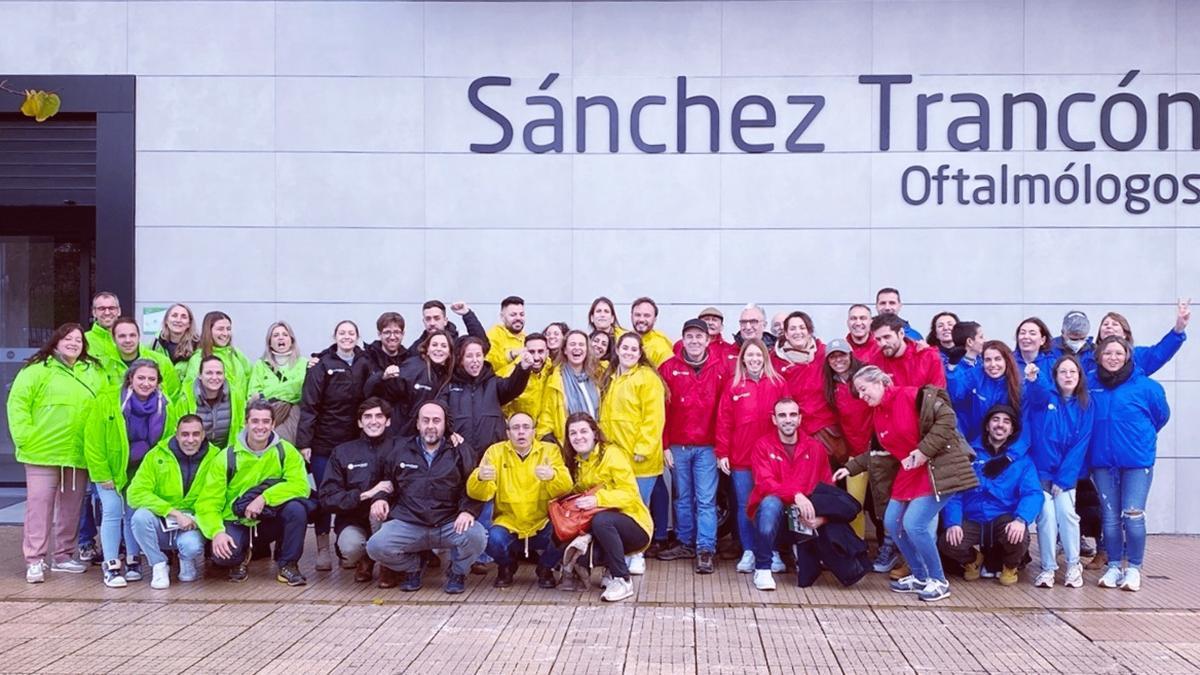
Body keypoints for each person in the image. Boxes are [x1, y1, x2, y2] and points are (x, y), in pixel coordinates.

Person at [834, 366, 977, 603]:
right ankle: (920, 576)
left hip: (936, 470)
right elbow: (880, 452)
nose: (861, 396)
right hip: (909, 473)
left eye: (863, 389)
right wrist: (850, 467)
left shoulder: (911, 395)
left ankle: (939, 581)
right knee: (892, 522)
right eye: (858, 392)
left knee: (914, 524)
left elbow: (948, 418)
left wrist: (923, 451)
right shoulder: (878, 413)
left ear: (880, 382)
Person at [6, 323, 104, 583]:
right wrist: (25, 438)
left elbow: (104, 404)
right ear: (56, 342)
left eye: (79, 340)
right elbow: (17, 405)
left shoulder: (92, 371)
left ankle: (63, 556)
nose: (74, 343)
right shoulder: (37, 370)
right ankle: (35, 559)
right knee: (39, 507)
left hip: (77, 453)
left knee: (72, 508)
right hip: (42, 452)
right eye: (68, 339)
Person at [365, 401, 487, 594]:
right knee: (375, 546)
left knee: (477, 536)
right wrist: (379, 498)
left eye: (436, 420)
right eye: (426, 420)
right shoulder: (399, 450)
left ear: (445, 424)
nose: (431, 425)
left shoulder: (461, 451)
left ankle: (457, 572)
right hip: (410, 522)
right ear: (418, 424)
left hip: (448, 522)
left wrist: (468, 511)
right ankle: (413, 567)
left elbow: (474, 487)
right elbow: (386, 481)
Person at [749, 398, 867, 591]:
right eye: (782, 415)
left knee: (807, 578)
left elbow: (827, 489)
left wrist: (822, 519)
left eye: (793, 414)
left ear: (800, 418)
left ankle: (807, 554)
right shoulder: (762, 445)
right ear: (774, 420)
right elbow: (765, 483)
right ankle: (763, 568)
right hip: (776, 520)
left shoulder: (815, 447)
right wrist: (796, 495)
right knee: (770, 503)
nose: (788, 420)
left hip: (806, 520)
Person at [84, 358, 181, 587]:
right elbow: (93, 440)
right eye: (141, 378)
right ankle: (111, 565)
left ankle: (133, 560)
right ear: (130, 378)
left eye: (151, 379)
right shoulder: (108, 401)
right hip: (112, 469)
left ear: (158, 382)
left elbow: (168, 442)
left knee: (132, 513)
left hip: (140, 471)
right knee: (112, 511)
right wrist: (102, 473)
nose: (146, 383)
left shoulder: (166, 405)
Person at [196, 399, 312, 586]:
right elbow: (208, 502)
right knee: (224, 558)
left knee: (297, 509)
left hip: (268, 518)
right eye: (255, 421)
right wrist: (216, 532)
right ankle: (240, 556)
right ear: (246, 423)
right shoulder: (227, 456)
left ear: (273, 424)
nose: (260, 426)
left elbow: (301, 486)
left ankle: (288, 564)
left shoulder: (286, 452)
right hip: (235, 519)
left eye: (266, 421)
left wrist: (264, 498)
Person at [1089, 336, 1171, 592]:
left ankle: (1134, 568)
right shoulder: (1090, 383)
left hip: (1136, 462)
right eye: (1107, 353)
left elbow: (1161, 417)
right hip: (1102, 462)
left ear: (1127, 356)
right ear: (1099, 356)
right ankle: (1114, 566)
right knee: (1110, 519)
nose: (1113, 358)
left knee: (1133, 515)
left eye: (1118, 353)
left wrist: (1137, 439)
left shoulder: (1147, 387)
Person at [296, 320, 373, 571]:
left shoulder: (365, 362)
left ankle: (344, 547)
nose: (347, 337)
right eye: (342, 333)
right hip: (323, 444)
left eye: (351, 333)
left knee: (348, 494)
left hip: (352, 443)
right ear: (335, 336)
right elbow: (309, 406)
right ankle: (322, 549)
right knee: (325, 495)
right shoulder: (322, 365)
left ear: (357, 337)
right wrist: (305, 442)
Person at [939, 405, 1041, 587]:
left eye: (1006, 422)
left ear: (1011, 430)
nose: (1000, 425)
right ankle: (973, 559)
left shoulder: (1021, 460)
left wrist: (1021, 519)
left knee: (1020, 536)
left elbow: (1033, 493)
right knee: (948, 542)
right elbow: (956, 492)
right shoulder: (970, 454)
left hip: (1003, 518)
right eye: (995, 420)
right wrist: (953, 522)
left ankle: (1010, 566)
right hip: (974, 518)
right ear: (987, 426)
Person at [467, 413, 572, 588]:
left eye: (526, 427)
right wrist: (480, 477)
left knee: (566, 533)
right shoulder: (495, 452)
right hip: (508, 523)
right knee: (489, 538)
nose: (521, 432)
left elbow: (566, 487)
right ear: (508, 433)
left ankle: (545, 568)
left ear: (534, 432)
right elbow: (479, 494)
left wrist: (553, 476)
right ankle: (507, 566)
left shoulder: (550, 450)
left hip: (542, 522)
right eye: (515, 428)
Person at [556, 413, 652, 602]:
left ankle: (622, 580)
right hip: (601, 526)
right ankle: (606, 569)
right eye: (572, 433)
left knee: (602, 520)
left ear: (594, 433)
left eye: (584, 431)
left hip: (634, 523)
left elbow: (630, 494)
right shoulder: (575, 462)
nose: (578, 437)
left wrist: (598, 499)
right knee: (566, 527)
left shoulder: (611, 454)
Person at [658, 319, 725, 572]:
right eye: (690, 336)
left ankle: (705, 547)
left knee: (706, 500)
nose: (695, 341)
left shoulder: (720, 369)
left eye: (700, 336)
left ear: (708, 340)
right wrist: (664, 446)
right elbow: (661, 410)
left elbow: (724, 412)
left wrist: (722, 448)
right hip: (678, 446)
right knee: (682, 498)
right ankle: (685, 541)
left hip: (707, 447)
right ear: (682, 340)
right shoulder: (668, 368)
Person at [716, 338, 789, 574]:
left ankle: (772, 551)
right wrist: (722, 452)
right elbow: (724, 421)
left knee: (772, 505)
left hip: (771, 459)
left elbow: (789, 419)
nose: (754, 359)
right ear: (743, 359)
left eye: (759, 355)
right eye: (750, 356)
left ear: (765, 358)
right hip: (742, 457)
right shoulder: (733, 385)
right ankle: (749, 551)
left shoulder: (778, 383)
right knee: (746, 505)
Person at [599, 332, 668, 574]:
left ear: (640, 353)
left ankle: (639, 553)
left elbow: (654, 417)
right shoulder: (611, 376)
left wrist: (644, 447)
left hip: (640, 459)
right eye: (624, 348)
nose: (628, 352)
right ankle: (624, 553)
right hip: (616, 457)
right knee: (619, 508)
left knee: (639, 507)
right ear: (617, 350)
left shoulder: (647, 378)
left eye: (633, 349)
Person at [126, 415, 221, 589]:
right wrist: (173, 513)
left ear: (203, 435)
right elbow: (135, 493)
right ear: (176, 434)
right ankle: (158, 564)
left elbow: (218, 497)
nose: (190, 440)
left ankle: (186, 559)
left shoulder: (216, 458)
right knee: (139, 517)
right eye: (185, 434)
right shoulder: (156, 455)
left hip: (194, 522)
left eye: (195, 434)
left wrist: (197, 520)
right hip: (162, 520)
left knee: (191, 547)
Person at [1024, 354, 1093, 589]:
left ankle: (1074, 565)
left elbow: (1081, 444)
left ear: (1080, 376)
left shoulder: (1086, 404)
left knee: (1067, 514)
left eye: (1072, 372)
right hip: (1041, 472)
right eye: (1063, 372)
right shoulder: (1045, 399)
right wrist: (1033, 379)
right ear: (1055, 376)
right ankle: (1048, 568)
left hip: (1066, 475)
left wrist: (1063, 479)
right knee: (1047, 518)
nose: (1068, 376)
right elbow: (1036, 392)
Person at [318, 398, 397, 584]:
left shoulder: (402, 448)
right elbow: (327, 497)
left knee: (378, 511)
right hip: (353, 519)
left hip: (391, 519)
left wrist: (380, 497)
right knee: (350, 547)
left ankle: (389, 566)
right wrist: (365, 494)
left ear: (388, 421)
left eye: (379, 416)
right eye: (367, 417)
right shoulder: (343, 452)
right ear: (360, 422)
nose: (373, 421)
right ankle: (366, 558)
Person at [772, 311, 842, 461]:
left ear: (809, 331)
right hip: (793, 430)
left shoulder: (824, 354)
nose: (798, 332)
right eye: (792, 328)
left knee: (826, 479)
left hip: (825, 430)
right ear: (785, 333)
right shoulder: (775, 360)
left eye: (802, 328)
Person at [821, 339, 872, 539]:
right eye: (833, 357)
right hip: (854, 456)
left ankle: (891, 549)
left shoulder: (865, 376)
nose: (838, 360)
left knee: (883, 507)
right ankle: (857, 546)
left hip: (878, 451)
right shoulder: (830, 385)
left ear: (850, 354)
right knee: (854, 506)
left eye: (841, 355)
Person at [448, 337, 533, 452]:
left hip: (493, 454)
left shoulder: (493, 382)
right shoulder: (450, 386)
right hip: (461, 453)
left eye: (478, 355)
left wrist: (523, 369)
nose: (475, 360)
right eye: (469, 356)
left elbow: (512, 387)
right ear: (461, 360)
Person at [373, 329, 456, 433]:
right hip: (400, 433)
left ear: (449, 352)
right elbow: (387, 396)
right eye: (434, 345)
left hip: (422, 435)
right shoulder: (414, 367)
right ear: (427, 349)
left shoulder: (446, 376)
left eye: (443, 346)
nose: (438, 349)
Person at [946, 340, 1024, 445]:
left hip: (1003, 444)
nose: (993, 364)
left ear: (1007, 360)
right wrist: (952, 368)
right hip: (971, 441)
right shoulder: (975, 376)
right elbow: (956, 395)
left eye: (998, 359)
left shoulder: (1018, 384)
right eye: (988, 360)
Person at [537, 330, 603, 445]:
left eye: (581, 344)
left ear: (587, 350)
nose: (577, 348)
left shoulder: (596, 378)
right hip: (567, 446)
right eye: (572, 344)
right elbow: (546, 417)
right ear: (565, 350)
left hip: (595, 445)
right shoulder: (555, 380)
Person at [248, 321, 307, 444]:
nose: (280, 337)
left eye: (285, 334)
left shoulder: (303, 363)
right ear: (269, 342)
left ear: (291, 340)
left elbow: (299, 389)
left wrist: (265, 394)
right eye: (275, 335)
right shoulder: (261, 365)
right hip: (266, 416)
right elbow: (252, 395)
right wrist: (286, 391)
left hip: (292, 417)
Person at [101, 316, 180, 401]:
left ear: (139, 337)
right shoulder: (103, 365)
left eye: (132, 335)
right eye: (122, 336)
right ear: (113, 339)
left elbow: (174, 397)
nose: (128, 340)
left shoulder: (162, 362)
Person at [181, 355, 246, 450]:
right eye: (209, 373)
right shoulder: (186, 398)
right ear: (200, 375)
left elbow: (242, 427)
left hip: (227, 454)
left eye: (219, 373)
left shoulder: (236, 396)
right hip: (196, 454)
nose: (214, 377)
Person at [183, 311, 251, 397]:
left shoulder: (236, 354)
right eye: (220, 329)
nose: (225, 333)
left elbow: (251, 381)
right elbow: (190, 392)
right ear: (209, 331)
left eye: (228, 329)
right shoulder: (199, 358)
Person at [869, 314, 945, 388]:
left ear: (901, 333)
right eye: (878, 339)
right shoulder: (875, 361)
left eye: (887, 337)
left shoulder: (928, 356)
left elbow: (938, 394)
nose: (882, 343)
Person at [407, 300, 489, 356]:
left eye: (436, 318)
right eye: (428, 319)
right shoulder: (417, 347)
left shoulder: (458, 342)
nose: (432, 323)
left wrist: (467, 314)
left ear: (445, 320)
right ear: (423, 321)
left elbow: (482, 345)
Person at [499, 333, 551, 420]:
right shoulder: (509, 375)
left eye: (540, 351)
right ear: (523, 352)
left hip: (543, 429)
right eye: (531, 352)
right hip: (520, 429)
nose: (536, 357)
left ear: (547, 353)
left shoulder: (551, 369)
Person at [362, 312, 408, 398]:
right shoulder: (367, 357)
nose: (392, 337)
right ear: (379, 334)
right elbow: (363, 390)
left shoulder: (408, 359)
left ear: (403, 334)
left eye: (397, 332)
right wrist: (382, 376)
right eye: (387, 332)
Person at [150, 302, 200, 379]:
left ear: (189, 323)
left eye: (183, 317)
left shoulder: (198, 347)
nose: (178, 320)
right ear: (166, 320)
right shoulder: (155, 344)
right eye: (174, 315)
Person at [626, 297, 674, 367]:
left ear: (655, 319)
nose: (641, 319)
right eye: (637, 315)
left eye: (647, 316)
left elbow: (667, 375)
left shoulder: (661, 346)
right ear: (631, 316)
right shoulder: (623, 339)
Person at [486, 296, 527, 373]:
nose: (518, 318)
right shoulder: (494, 334)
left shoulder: (526, 338)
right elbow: (489, 365)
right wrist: (511, 355)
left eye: (521, 314)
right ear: (502, 317)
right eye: (513, 315)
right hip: (499, 383)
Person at [85, 291, 122, 364]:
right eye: (102, 308)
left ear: (119, 311)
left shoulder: (128, 339)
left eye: (111, 308)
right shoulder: (84, 340)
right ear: (94, 312)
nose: (107, 313)